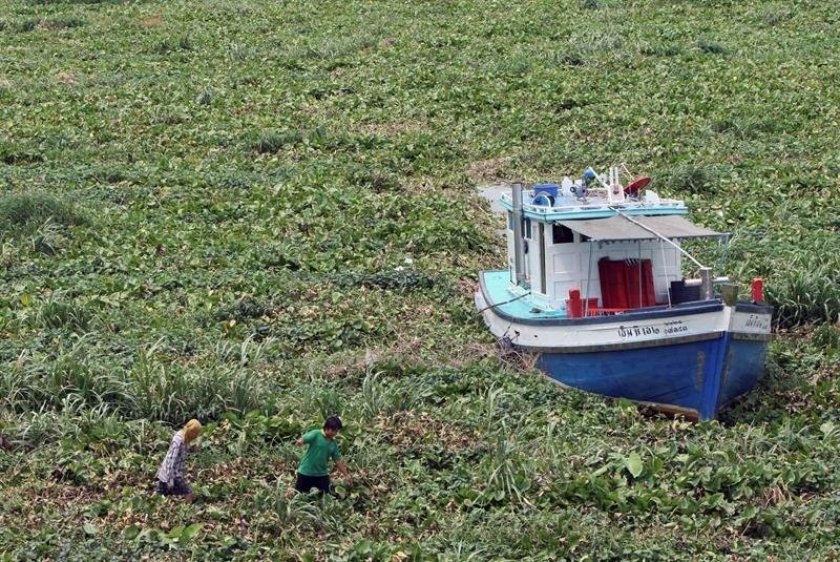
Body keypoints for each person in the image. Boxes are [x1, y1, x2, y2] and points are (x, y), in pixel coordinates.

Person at [295, 415, 351, 495]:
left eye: (337, 431)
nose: (335, 433)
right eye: (334, 430)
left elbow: (337, 461)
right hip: (306, 472)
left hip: (321, 474)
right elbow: (305, 439)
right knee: (300, 496)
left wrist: (346, 475)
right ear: (328, 427)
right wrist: (300, 441)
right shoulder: (316, 434)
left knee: (325, 497)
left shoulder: (333, 443)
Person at [156, 418, 202, 500]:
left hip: (175, 474)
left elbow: (183, 451)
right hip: (171, 475)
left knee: (160, 496)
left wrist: (193, 449)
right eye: (195, 434)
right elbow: (171, 460)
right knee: (188, 492)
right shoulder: (178, 440)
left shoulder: (185, 438)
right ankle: (186, 511)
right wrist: (169, 480)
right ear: (191, 432)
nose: (195, 437)